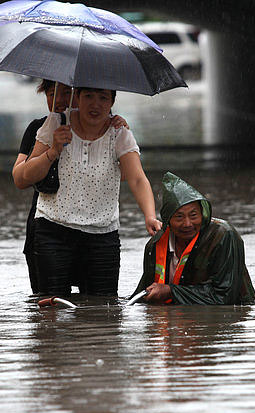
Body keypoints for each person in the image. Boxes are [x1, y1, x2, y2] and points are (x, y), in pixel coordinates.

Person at [19, 87, 161, 297]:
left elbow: (137, 178)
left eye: (103, 98)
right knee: (52, 309)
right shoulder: (56, 123)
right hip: (53, 229)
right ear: (77, 98)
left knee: (103, 312)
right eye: (89, 96)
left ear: (112, 102)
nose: (95, 104)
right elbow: (25, 177)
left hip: (101, 233)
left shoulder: (120, 132)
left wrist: (150, 215)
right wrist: (53, 150)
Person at [133, 172, 255, 305]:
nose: (187, 224)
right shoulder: (155, 245)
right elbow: (143, 295)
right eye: (179, 217)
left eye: (193, 216)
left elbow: (224, 297)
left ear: (203, 215)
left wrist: (171, 291)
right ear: (168, 220)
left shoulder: (224, 236)